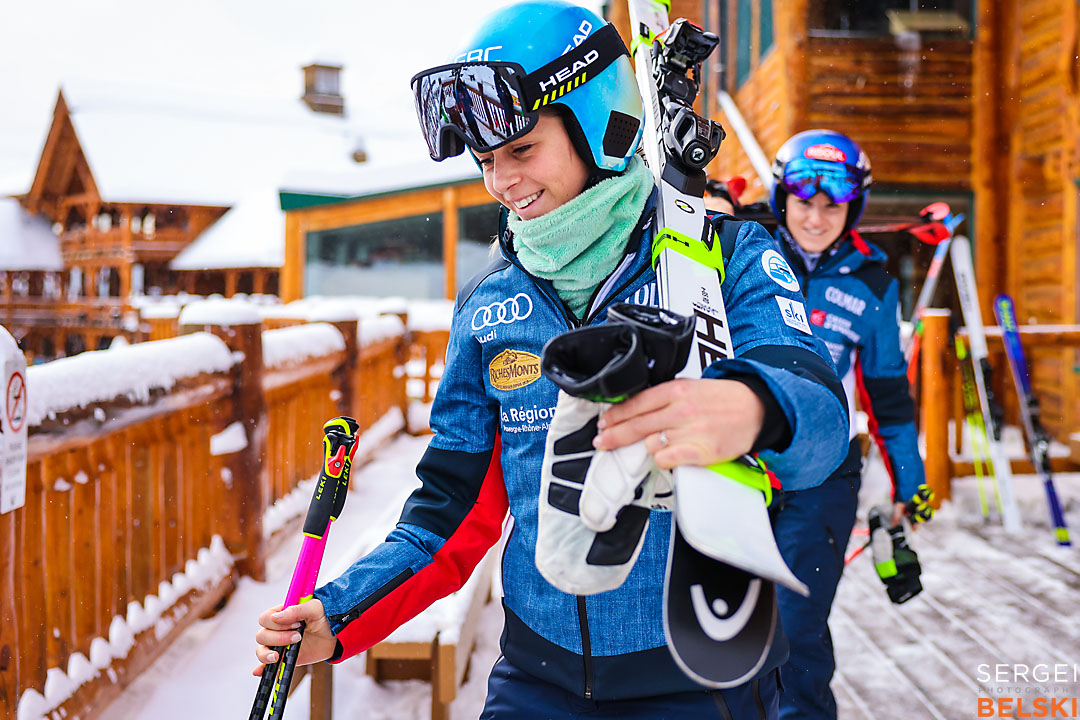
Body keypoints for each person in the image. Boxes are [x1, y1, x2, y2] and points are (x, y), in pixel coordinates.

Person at [254, 4, 850, 718]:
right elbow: (446, 516)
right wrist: (339, 616)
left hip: (702, 674)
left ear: (599, 123)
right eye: (485, 160)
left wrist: (750, 407)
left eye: (521, 148)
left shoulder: (729, 256)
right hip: (538, 679)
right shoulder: (489, 306)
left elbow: (819, 422)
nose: (500, 182)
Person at [767, 129, 929, 719]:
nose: (816, 217)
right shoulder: (741, 253)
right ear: (780, 198)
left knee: (796, 625)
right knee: (725, 626)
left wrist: (912, 484)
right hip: (737, 462)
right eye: (804, 201)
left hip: (825, 474)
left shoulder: (874, 281)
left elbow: (889, 396)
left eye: (832, 205)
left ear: (852, 206)